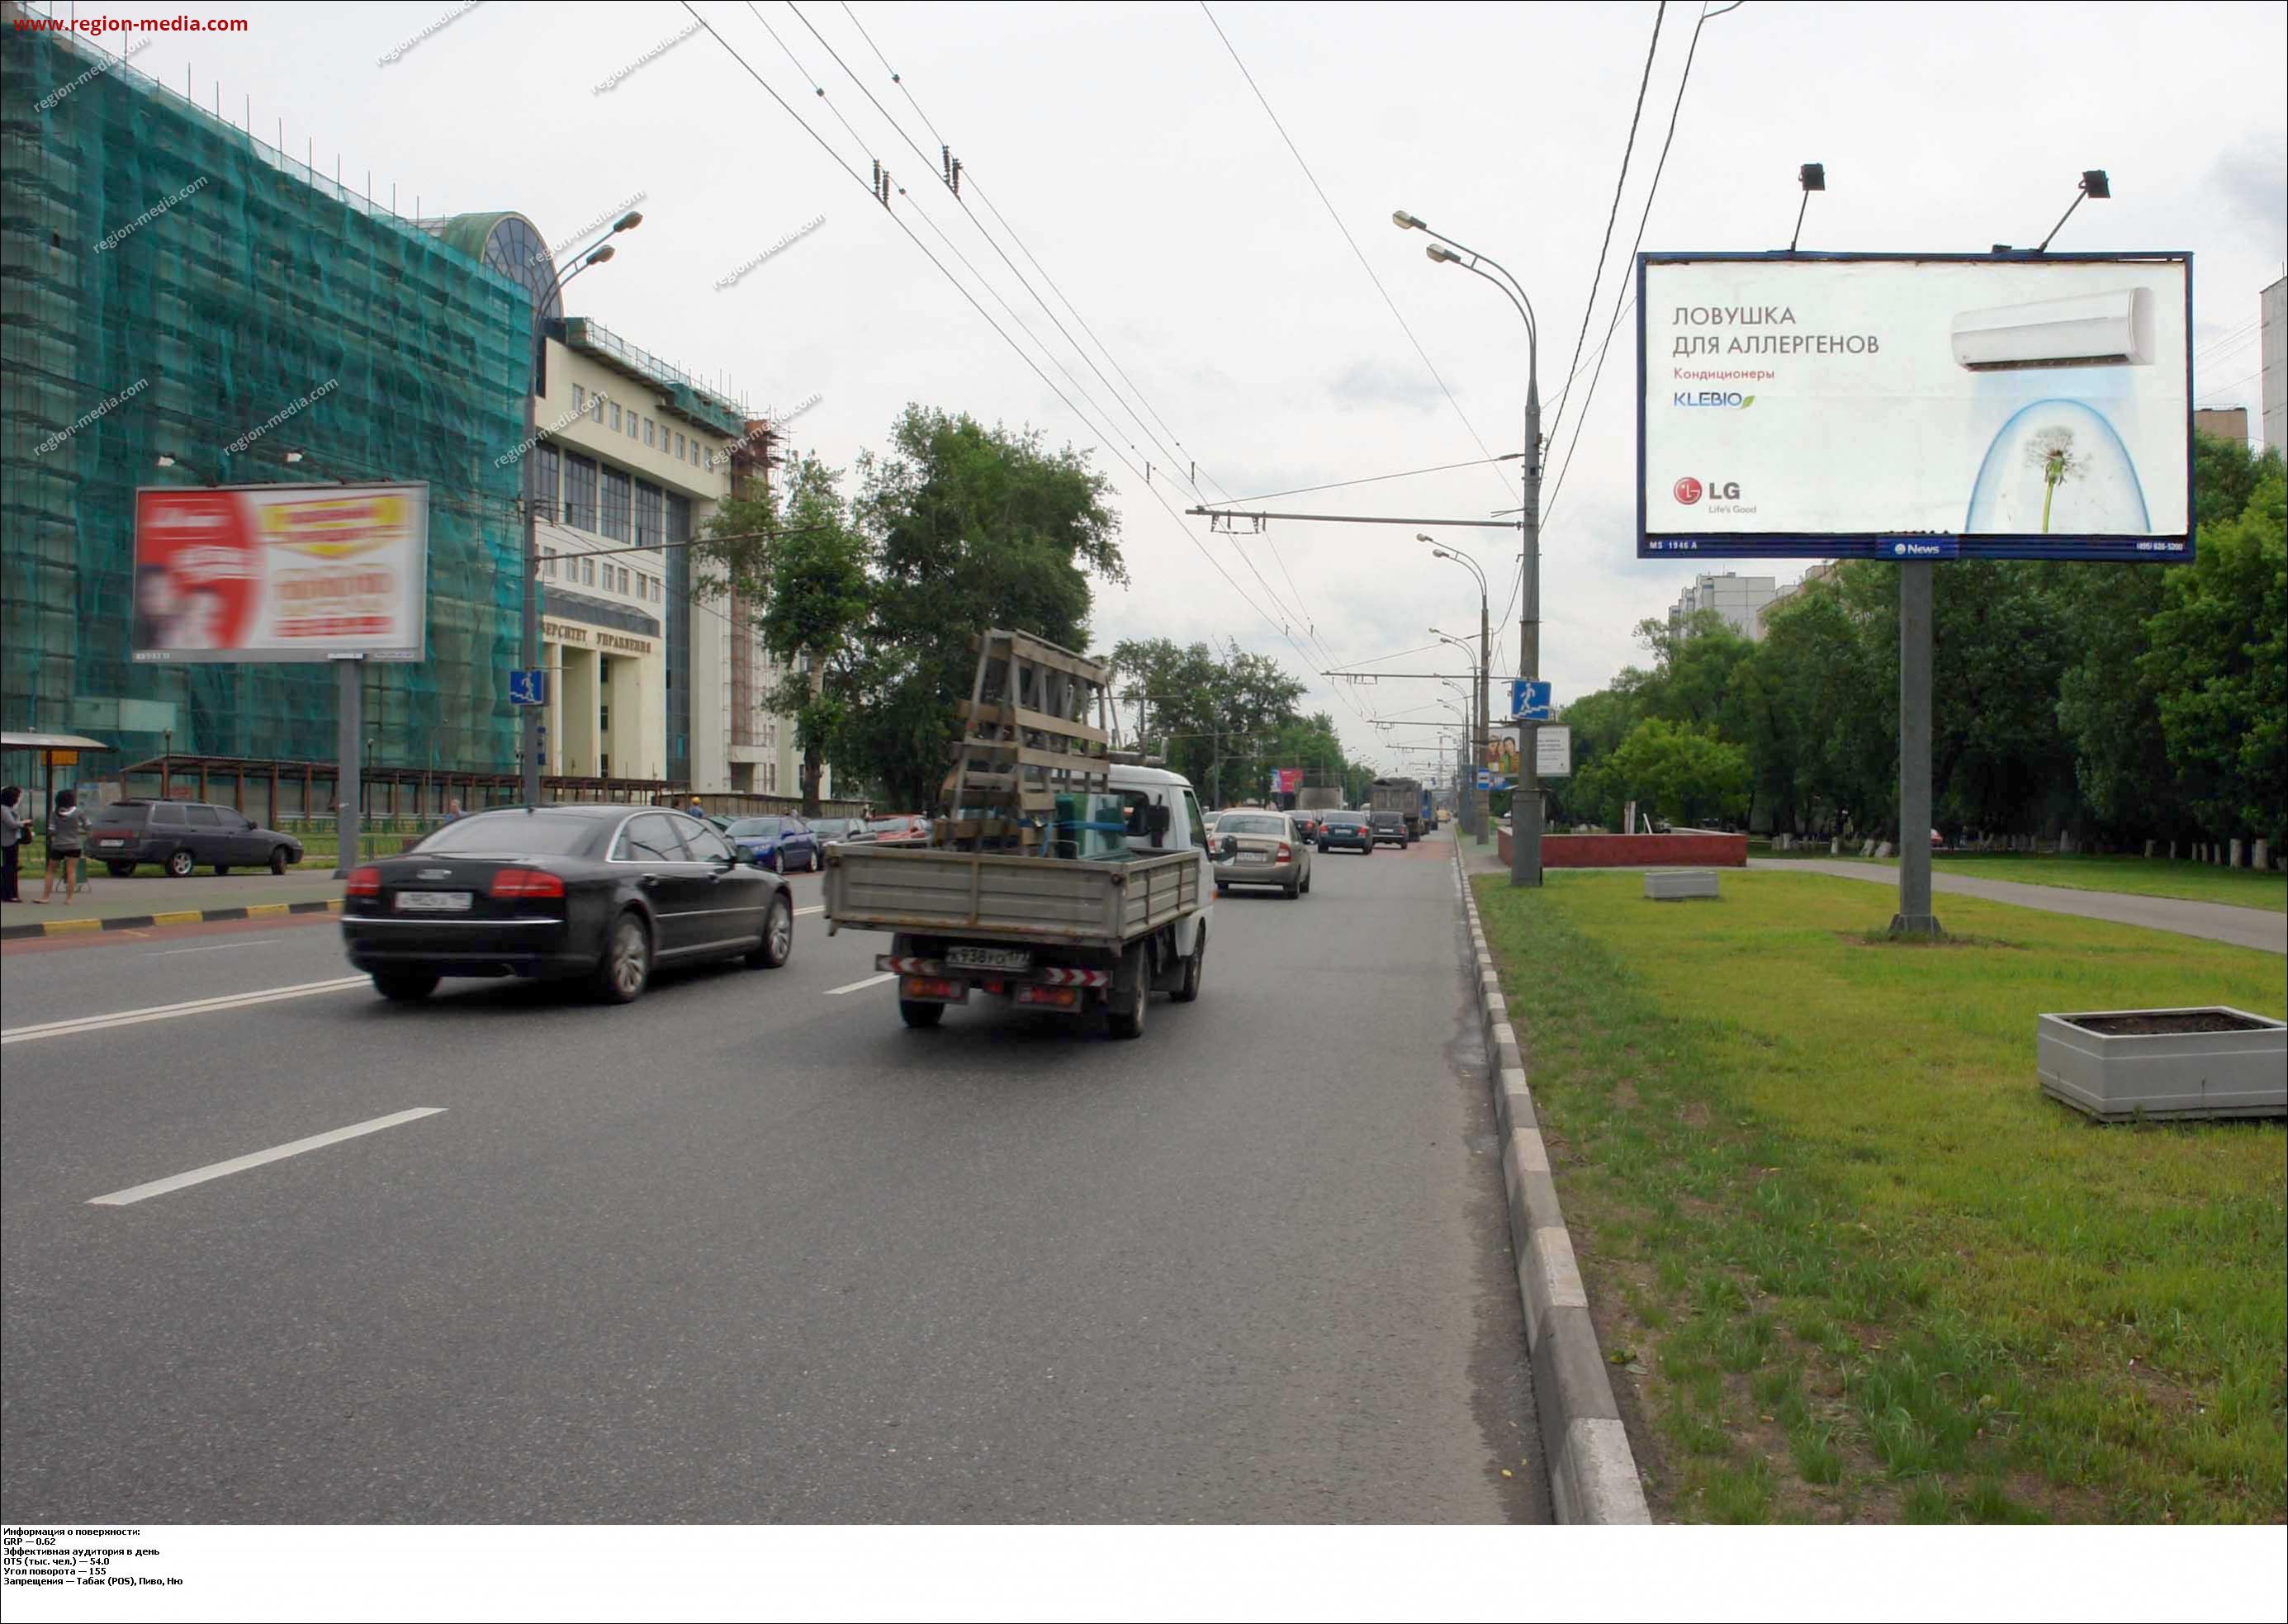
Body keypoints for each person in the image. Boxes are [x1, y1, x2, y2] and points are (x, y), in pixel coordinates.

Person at [37, 788, 90, 905]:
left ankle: (45, 897)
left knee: (51, 870)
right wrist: (79, 828)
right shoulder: (78, 812)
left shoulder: (54, 813)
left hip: (58, 845)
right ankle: (69, 899)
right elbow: (88, 826)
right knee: (71, 871)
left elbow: (51, 830)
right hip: (74, 845)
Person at [0, 785, 24, 902]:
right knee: (10, 868)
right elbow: (12, 824)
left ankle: (7, 892)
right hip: (8, 841)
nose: (18, 799)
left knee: (10, 867)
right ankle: (10, 894)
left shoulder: (8, 809)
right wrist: (24, 823)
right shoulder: (4, 809)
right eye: (17, 797)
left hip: (11, 840)